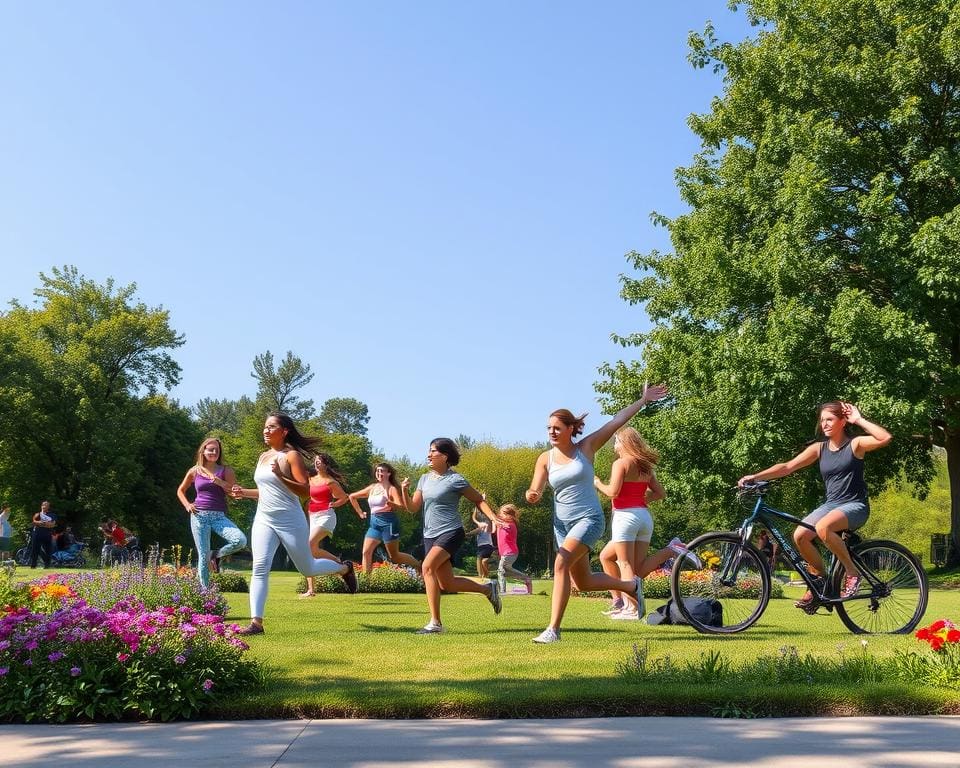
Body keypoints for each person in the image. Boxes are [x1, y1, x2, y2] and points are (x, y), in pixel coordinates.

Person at [525, 384, 668, 643]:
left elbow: (617, 421)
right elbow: (535, 487)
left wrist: (643, 400)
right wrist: (532, 494)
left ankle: (553, 630)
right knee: (583, 582)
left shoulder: (587, 448)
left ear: (571, 429)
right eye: (549, 428)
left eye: (557, 428)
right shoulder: (545, 459)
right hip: (562, 524)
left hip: (588, 519)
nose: (552, 432)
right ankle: (629, 586)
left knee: (560, 563)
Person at [738, 401, 892, 611]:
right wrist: (755, 477)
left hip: (855, 506)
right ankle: (819, 580)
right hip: (832, 505)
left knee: (822, 527)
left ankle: (852, 572)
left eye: (830, 419)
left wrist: (859, 419)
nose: (825, 424)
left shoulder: (855, 445)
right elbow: (787, 467)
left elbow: (885, 438)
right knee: (800, 535)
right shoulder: (819, 449)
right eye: (822, 420)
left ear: (843, 421)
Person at [229, 413, 358, 635]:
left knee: (307, 567)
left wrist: (280, 475)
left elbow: (304, 491)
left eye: (271, 427)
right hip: (264, 519)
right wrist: (244, 493)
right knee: (259, 567)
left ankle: (344, 568)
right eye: (265, 427)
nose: (266, 431)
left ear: (284, 431)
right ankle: (256, 623)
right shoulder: (263, 457)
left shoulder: (292, 456)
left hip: (290, 520)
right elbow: (266, 491)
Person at [400, 437, 503, 634]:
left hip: (451, 531)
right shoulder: (424, 479)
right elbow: (412, 508)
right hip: (430, 534)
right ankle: (488, 589)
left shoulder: (455, 479)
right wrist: (404, 491)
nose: (428, 455)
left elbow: (478, 500)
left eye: (433, 451)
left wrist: (493, 518)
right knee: (446, 584)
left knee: (427, 567)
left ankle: (435, 624)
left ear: (445, 456)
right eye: (428, 451)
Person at [594, 426, 696, 620]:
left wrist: (597, 482)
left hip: (625, 518)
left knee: (624, 563)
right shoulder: (645, 467)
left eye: (616, 441)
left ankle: (631, 610)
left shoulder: (621, 464)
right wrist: (639, 502)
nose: (615, 445)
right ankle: (671, 549)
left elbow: (612, 492)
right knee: (634, 567)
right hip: (644, 518)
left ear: (624, 443)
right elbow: (660, 493)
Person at [176, 437, 249, 588]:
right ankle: (204, 593)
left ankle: (215, 555)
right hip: (199, 516)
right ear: (203, 451)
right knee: (202, 556)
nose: (214, 452)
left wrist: (220, 482)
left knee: (240, 540)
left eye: (217, 450)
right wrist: (187, 505)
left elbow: (233, 492)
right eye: (211, 449)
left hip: (218, 516)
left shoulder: (226, 470)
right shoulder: (194, 471)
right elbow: (180, 490)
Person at [350, 462, 421, 575]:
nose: (379, 473)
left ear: (388, 473)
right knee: (366, 552)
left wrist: (391, 504)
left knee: (395, 557)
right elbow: (352, 497)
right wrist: (360, 513)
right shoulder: (372, 488)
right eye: (377, 471)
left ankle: (418, 565)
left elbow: (401, 506)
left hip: (389, 523)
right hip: (374, 524)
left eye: (382, 471)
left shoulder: (391, 489)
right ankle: (366, 582)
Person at [301, 453, 354, 598]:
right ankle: (311, 590)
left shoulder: (331, 482)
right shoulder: (310, 479)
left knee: (308, 545)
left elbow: (344, 497)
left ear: (326, 464)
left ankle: (338, 562)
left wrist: (334, 504)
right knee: (310, 551)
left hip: (326, 516)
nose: (317, 463)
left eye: (320, 461)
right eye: (316, 461)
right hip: (313, 516)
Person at [494, 504, 533, 595]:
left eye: (502, 514)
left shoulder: (510, 525)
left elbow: (498, 522)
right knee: (506, 571)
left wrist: (495, 520)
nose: (500, 515)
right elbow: (494, 523)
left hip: (510, 552)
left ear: (510, 516)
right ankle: (526, 579)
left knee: (501, 570)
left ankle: (502, 591)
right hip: (506, 553)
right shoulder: (502, 524)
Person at [465, 506, 496, 580]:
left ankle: (480, 575)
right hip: (489, 546)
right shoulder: (487, 524)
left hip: (484, 546)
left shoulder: (482, 526)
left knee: (479, 558)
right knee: (484, 562)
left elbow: (474, 520)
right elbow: (474, 518)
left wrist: (465, 534)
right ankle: (486, 576)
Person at [30, 501, 57, 568]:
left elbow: (52, 525)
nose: (44, 506)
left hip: (47, 534)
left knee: (48, 550)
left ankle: (47, 565)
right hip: (37, 534)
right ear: (41, 506)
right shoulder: (37, 514)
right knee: (35, 550)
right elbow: (33, 522)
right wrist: (41, 523)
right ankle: (33, 565)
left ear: (48, 507)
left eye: (46, 505)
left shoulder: (52, 515)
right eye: (43, 505)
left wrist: (42, 524)